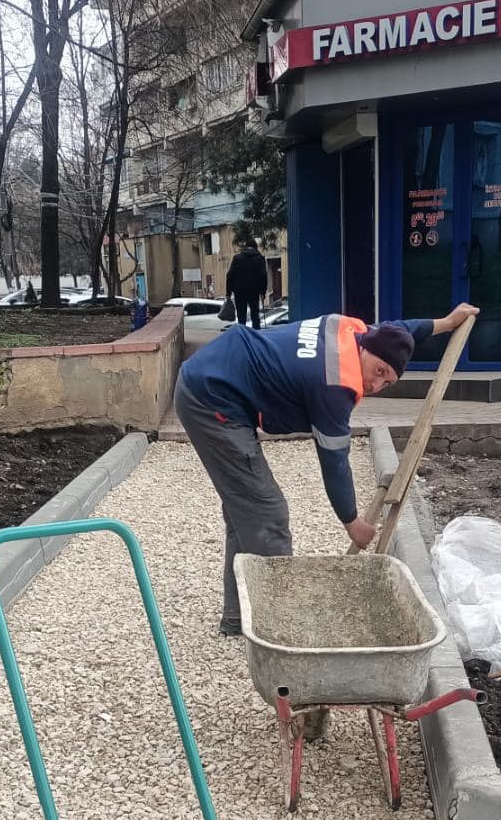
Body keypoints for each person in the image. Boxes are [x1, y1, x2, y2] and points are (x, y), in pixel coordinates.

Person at [174, 303, 478, 635]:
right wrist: (352, 522)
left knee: (245, 511)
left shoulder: (356, 331)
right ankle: (282, 632)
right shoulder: (335, 385)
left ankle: (237, 621)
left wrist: (445, 322)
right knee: (268, 514)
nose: (376, 385)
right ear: (368, 349)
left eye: (387, 382)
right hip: (212, 400)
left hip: (216, 373)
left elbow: (402, 330)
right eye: (378, 372)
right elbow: (335, 462)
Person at [225, 237, 269, 328]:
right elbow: (263, 276)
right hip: (254, 292)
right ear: (255, 247)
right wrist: (263, 292)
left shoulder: (237, 258)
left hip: (239, 292)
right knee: (255, 316)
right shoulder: (260, 258)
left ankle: (242, 334)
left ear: (245, 247)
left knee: (241, 318)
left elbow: (230, 275)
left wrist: (228, 293)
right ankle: (256, 334)